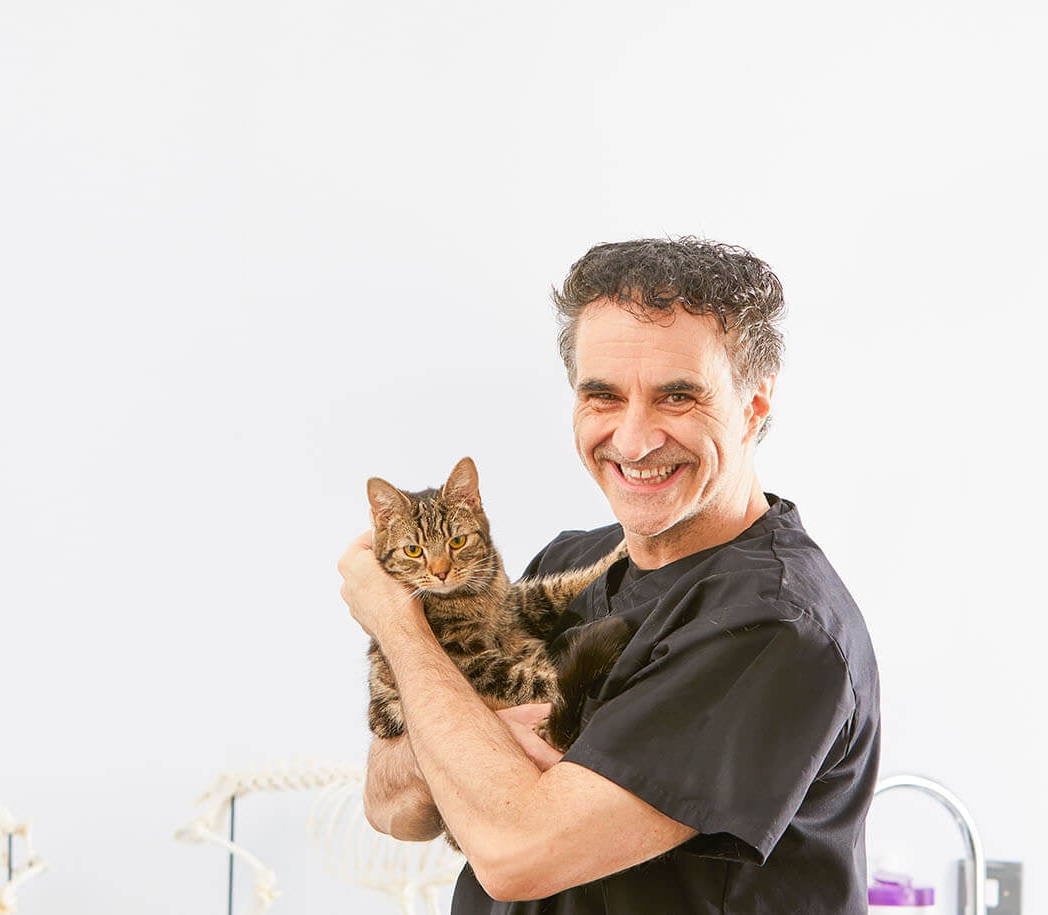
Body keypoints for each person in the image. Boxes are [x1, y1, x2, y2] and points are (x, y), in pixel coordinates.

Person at [338, 237, 881, 913]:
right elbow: (391, 805)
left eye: (677, 396)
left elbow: (512, 850)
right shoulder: (568, 564)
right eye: (602, 395)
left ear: (753, 405)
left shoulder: (775, 625)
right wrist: (465, 751)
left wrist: (397, 623)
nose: (632, 438)